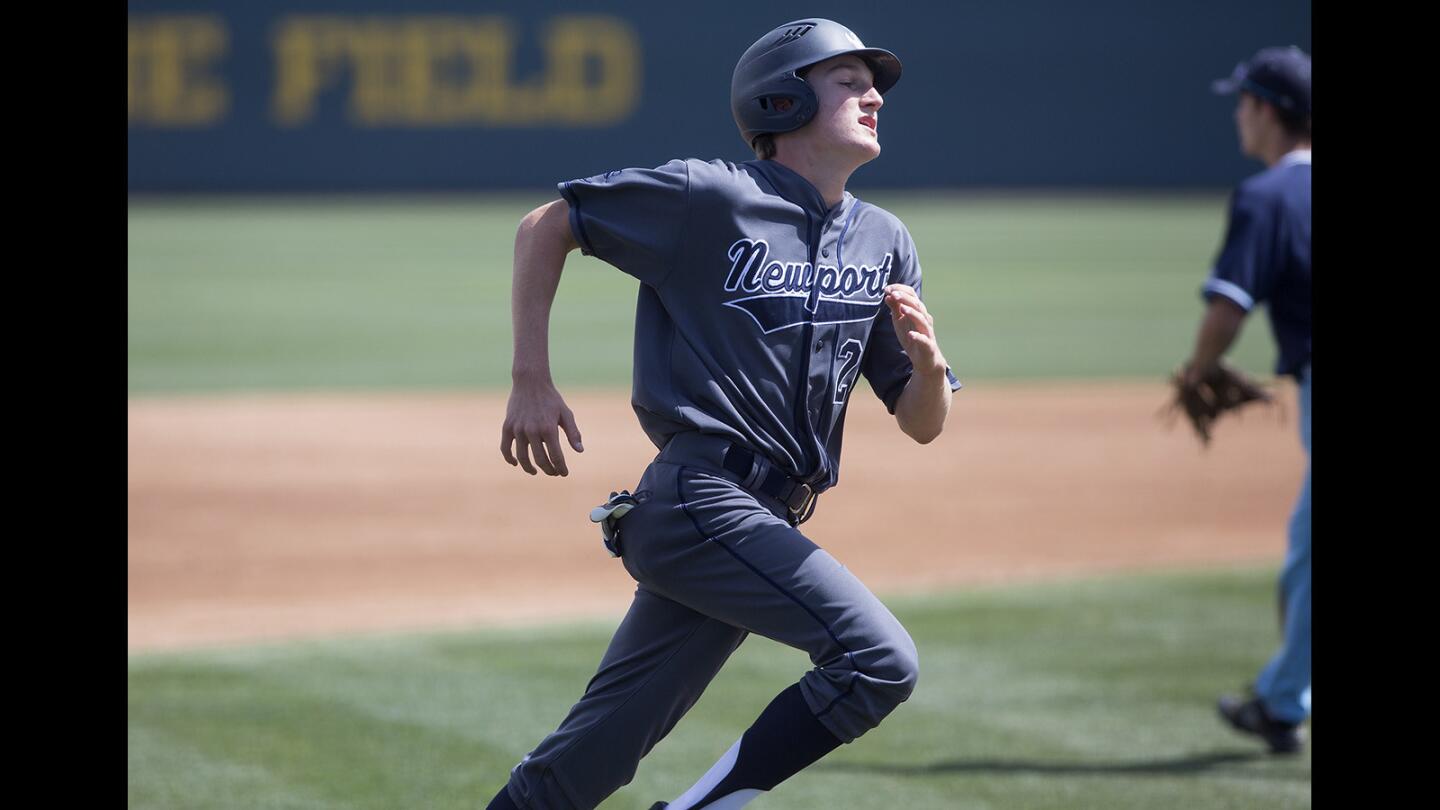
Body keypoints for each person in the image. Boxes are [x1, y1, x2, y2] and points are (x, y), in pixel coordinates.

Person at [487, 18, 962, 810]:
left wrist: (931, 365)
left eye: (871, 82)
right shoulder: (707, 196)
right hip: (701, 496)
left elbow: (922, 421)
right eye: (847, 80)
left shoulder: (885, 240)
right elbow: (548, 224)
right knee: (877, 659)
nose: (874, 94)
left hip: (758, 517)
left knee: (580, 768)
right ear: (782, 100)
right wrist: (530, 375)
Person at [1186, 45, 1311, 754]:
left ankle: (1282, 701)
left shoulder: (1269, 195)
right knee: (1306, 555)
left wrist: (1198, 370)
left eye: (1243, 101)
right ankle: (1282, 701)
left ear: (1266, 110)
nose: (1238, 114)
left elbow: (1228, 311)